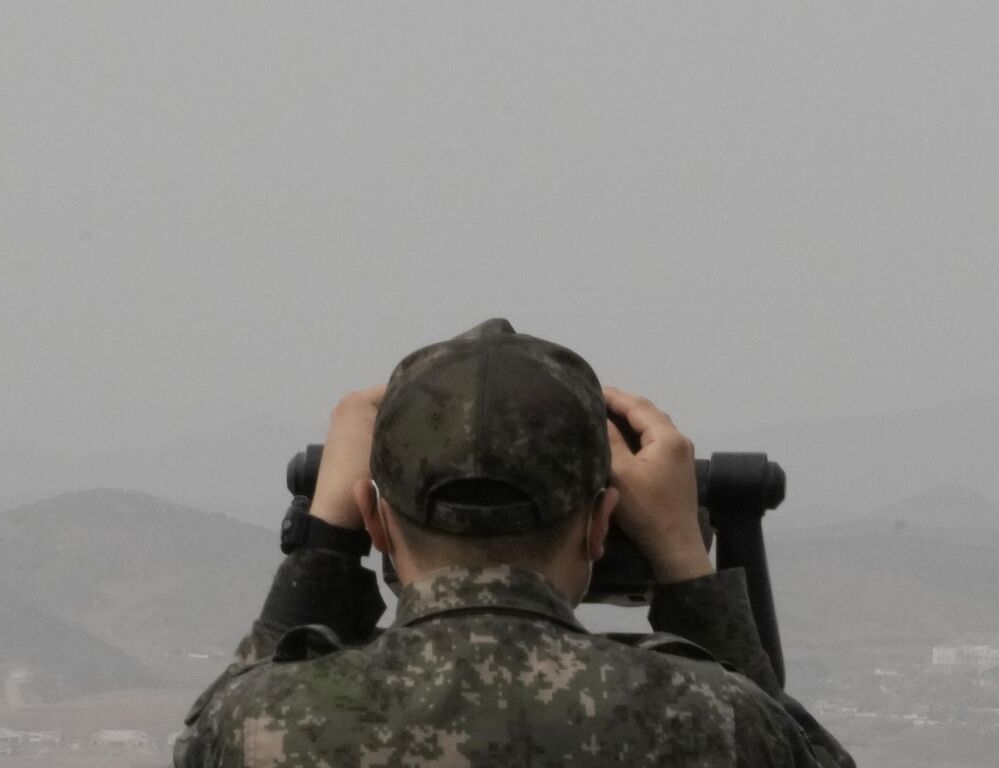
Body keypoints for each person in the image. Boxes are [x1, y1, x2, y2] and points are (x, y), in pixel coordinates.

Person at [174, 319, 853, 767]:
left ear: (375, 523)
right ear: (599, 523)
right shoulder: (714, 724)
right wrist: (685, 563)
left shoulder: (265, 727)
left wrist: (323, 546)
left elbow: (198, 746)